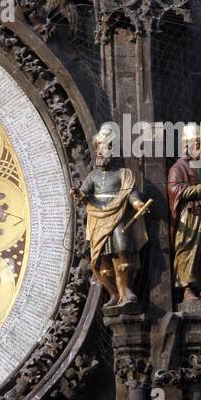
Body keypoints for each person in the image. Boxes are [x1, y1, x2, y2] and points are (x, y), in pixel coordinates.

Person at [75, 125, 147, 306]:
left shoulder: (123, 174)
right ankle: (114, 293)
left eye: (104, 148)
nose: (100, 153)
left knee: (122, 251)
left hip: (118, 217)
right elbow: (83, 192)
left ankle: (126, 290)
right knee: (102, 260)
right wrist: (78, 194)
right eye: (98, 148)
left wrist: (138, 205)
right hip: (99, 218)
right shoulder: (93, 176)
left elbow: (131, 194)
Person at [167, 122, 201, 305]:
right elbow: (175, 190)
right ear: (187, 145)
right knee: (188, 251)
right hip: (188, 218)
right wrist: (200, 189)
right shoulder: (177, 168)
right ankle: (187, 289)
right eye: (198, 144)